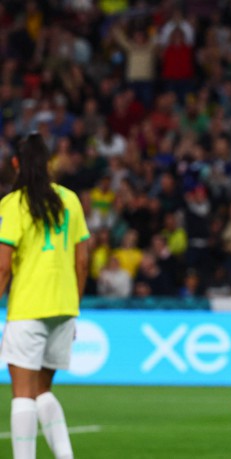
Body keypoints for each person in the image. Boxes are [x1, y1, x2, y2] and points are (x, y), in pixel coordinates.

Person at [0, 133, 90, 459]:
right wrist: (74, 307)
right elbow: (82, 261)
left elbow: (2, 267)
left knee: (22, 394)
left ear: (15, 164)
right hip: (64, 307)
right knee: (42, 392)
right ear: (49, 162)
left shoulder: (13, 204)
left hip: (27, 307)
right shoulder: (71, 200)